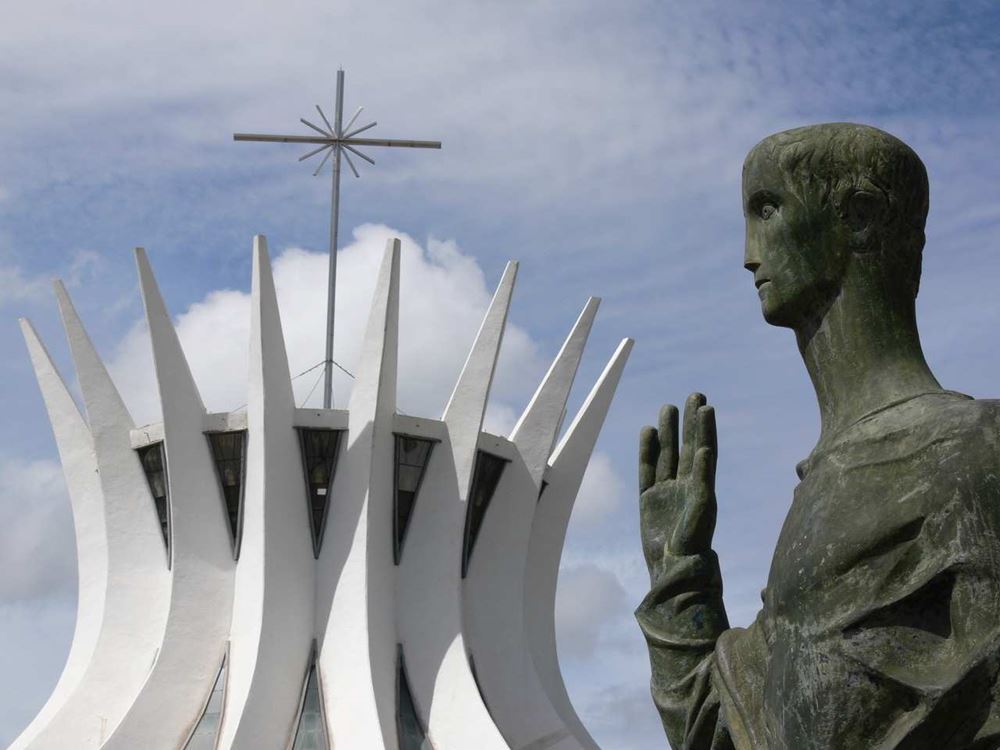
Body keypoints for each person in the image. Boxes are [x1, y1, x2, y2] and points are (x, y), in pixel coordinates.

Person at [636, 123, 1000, 749]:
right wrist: (679, 574)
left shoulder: (976, 452)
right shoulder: (820, 496)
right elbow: (728, 734)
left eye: (768, 209)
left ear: (859, 218)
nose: (748, 253)